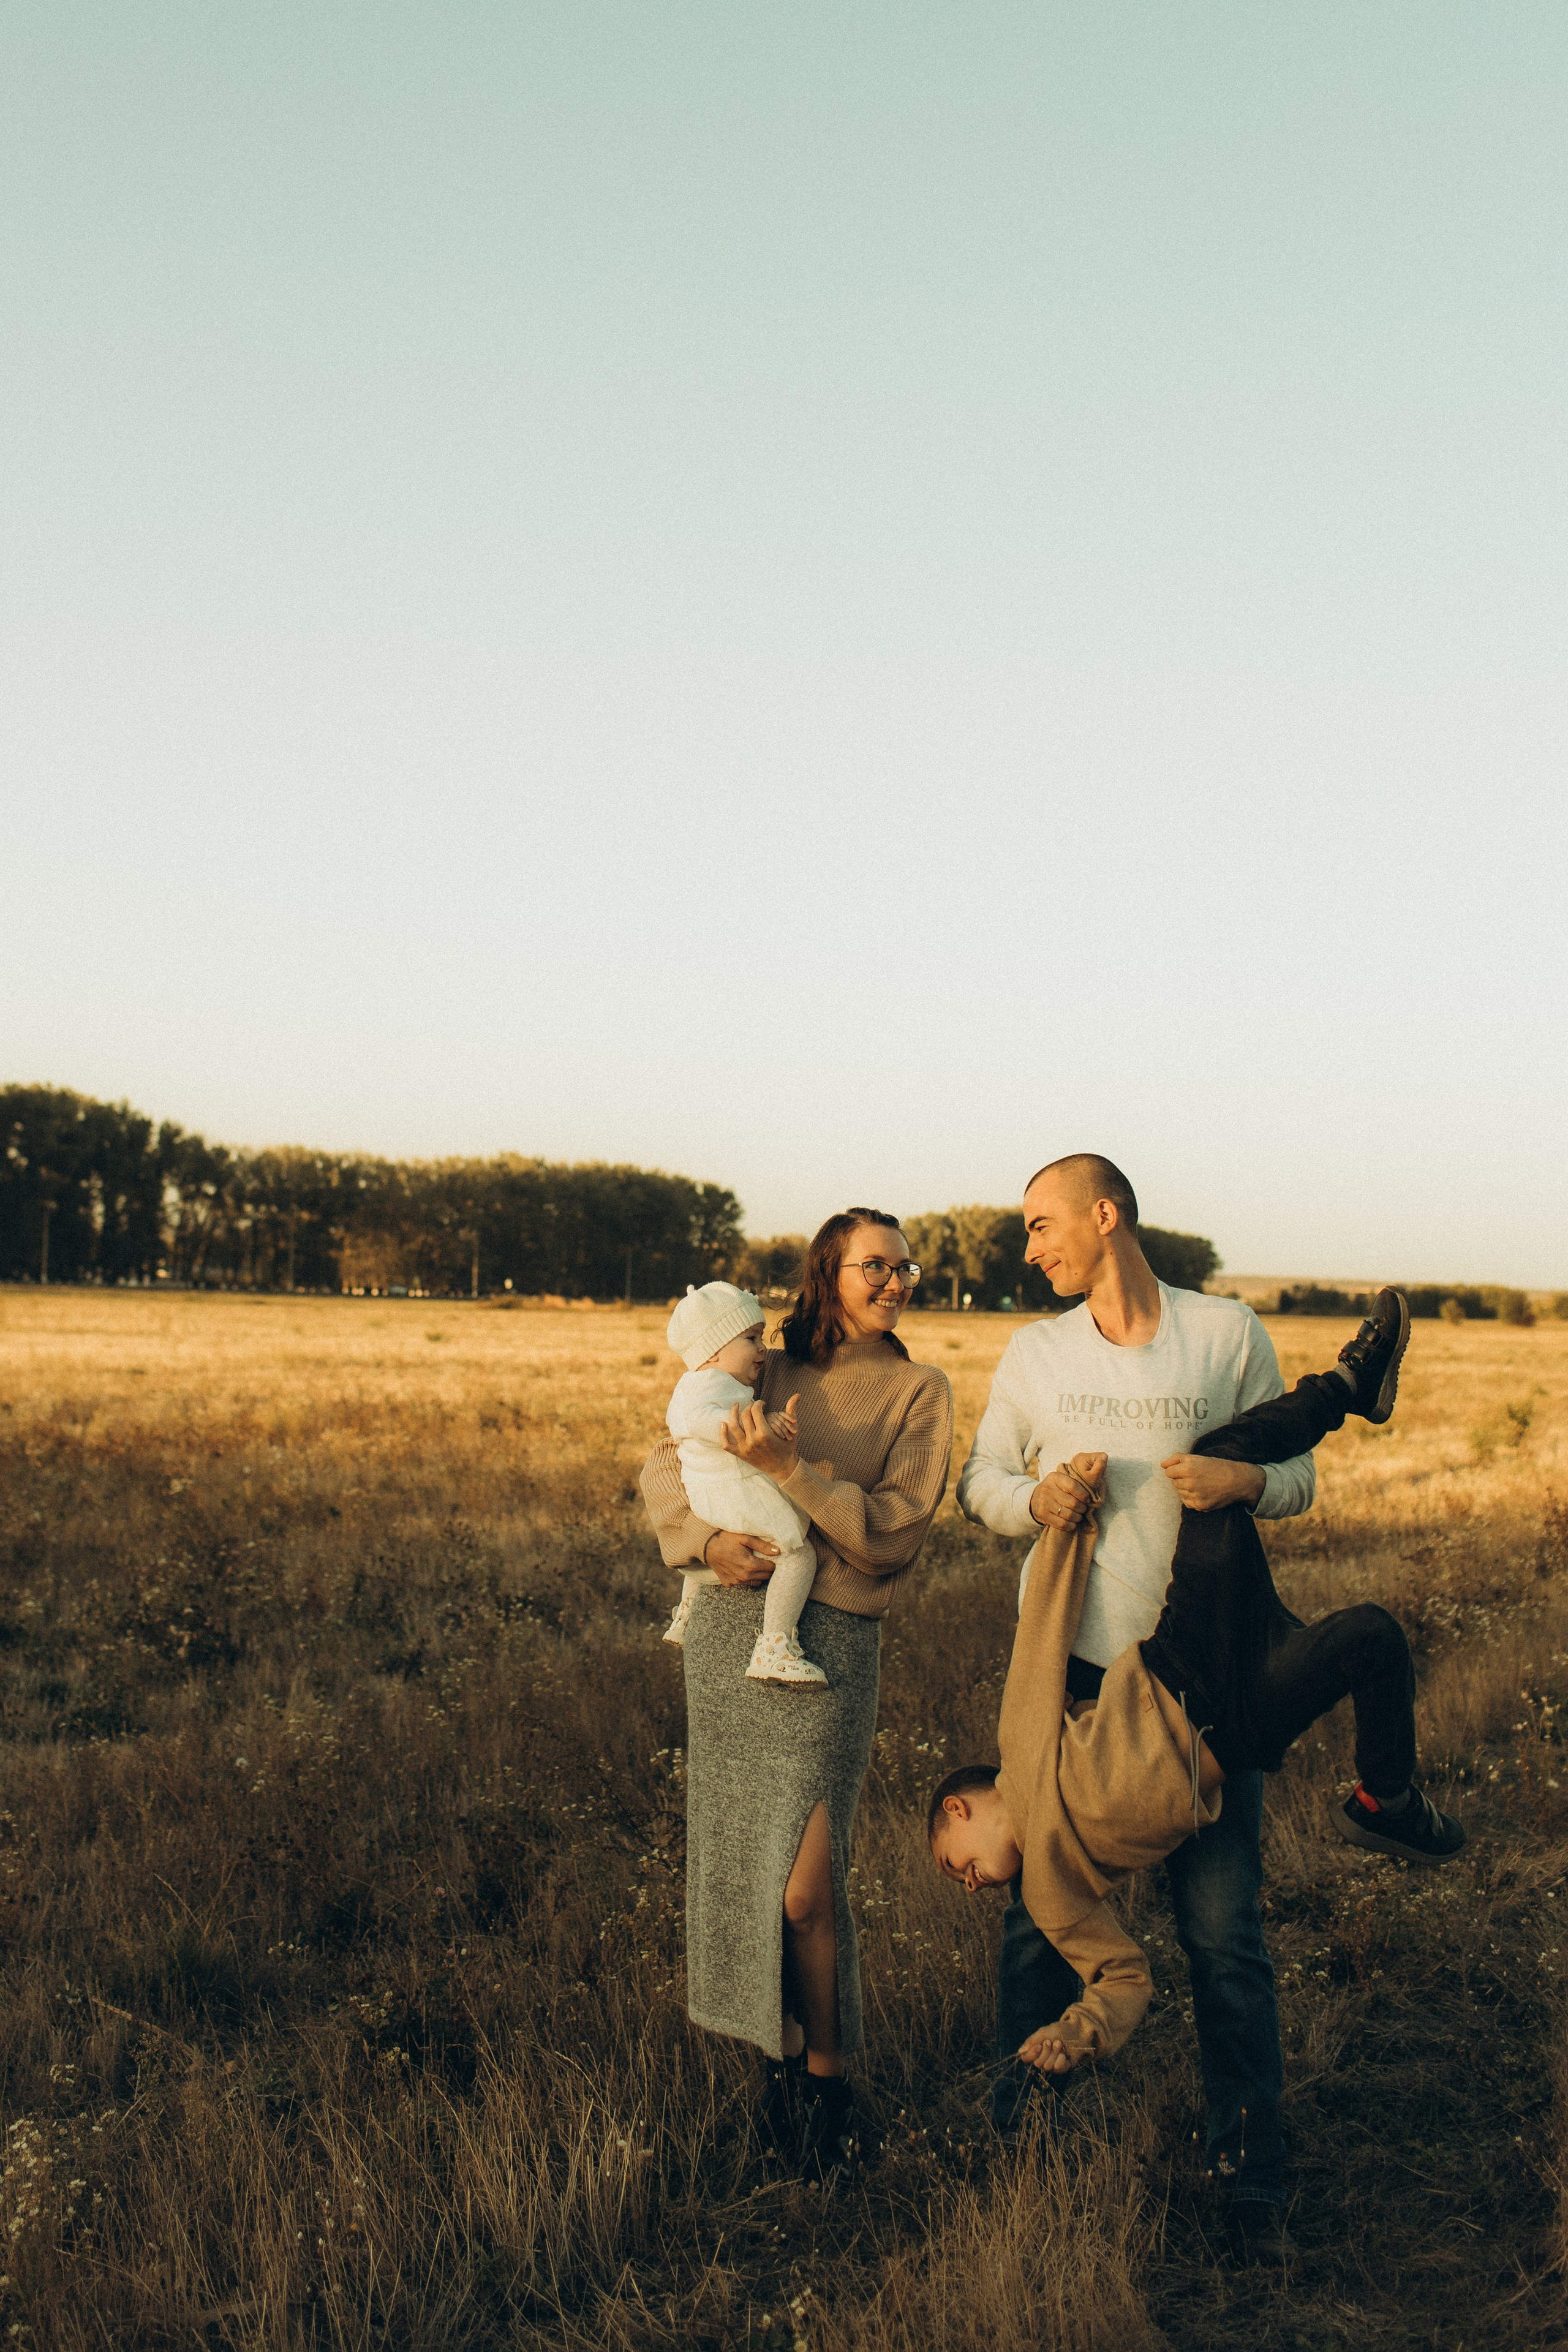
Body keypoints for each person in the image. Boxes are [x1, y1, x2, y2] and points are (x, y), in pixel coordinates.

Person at [930, 1287, 1462, 2080]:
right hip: (1241, 1725)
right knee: (1374, 1637)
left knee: (1217, 1453)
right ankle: (1390, 1801)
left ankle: (1348, 1386)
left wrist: (1070, 1516)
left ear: (960, 1807)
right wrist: (1074, 2035)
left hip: (1181, 1662)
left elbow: (1043, 1632)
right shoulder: (1049, 1895)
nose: (970, 1884)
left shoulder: (1023, 1747)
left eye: (955, 1863)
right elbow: (1123, 1977)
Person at [956, 1152, 1313, 2256]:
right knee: (1037, 1927)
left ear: (1106, 1216)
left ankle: (1248, 2161)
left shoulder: (1224, 1336)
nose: (1029, 1246)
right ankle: (1032, 2135)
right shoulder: (1035, 1353)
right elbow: (981, 1485)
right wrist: (1039, 1498)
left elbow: (1297, 1477)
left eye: (1040, 1224)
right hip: (1073, 1680)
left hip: (1204, 1684)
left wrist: (1248, 1483)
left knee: (1221, 1931)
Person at [640, 1211, 953, 2176]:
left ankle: (829, 2084)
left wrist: (791, 1471)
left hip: (833, 1646)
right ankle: (778, 2079)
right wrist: (706, 1544)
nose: (897, 1279)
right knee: (750, 1879)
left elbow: (892, 1536)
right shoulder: (764, 1368)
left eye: (906, 1267)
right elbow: (665, 1460)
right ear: (829, 1270)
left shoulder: (919, 1391)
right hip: (738, 1631)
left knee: (808, 1889)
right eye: (877, 1265)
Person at [660, 1281, 826, 1688]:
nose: (762, 1349)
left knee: (729, 1554)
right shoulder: (707, 1385)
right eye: (751, 1338)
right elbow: (703, 1423)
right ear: (714, 1350)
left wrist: (767, 1424)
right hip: (729, 1488)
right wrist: (756, 1425)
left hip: (709, 1492)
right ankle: (775, 1647)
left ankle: (686, 1612)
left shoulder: (707, 1383)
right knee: (797, 1553)